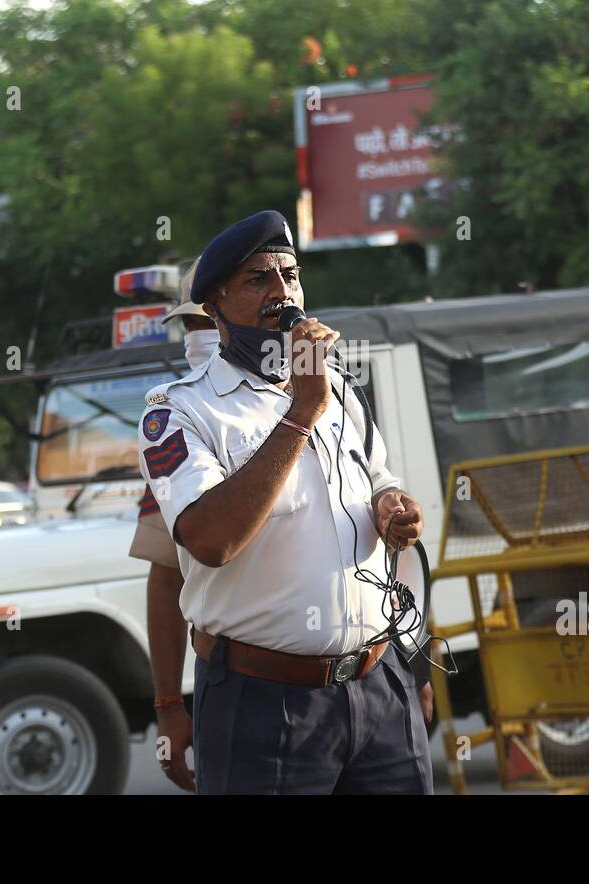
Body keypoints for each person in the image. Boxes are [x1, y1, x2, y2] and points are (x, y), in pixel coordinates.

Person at [137, 210, 433, 795]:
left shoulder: (341, 389)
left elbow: (378, 483)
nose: (282, 294)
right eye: (257, 280)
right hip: (263, 705)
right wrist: (301, 410)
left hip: (378, 684)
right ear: (213, 308)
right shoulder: (178, 410)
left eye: (290, 276)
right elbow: (211, 541)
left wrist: (392, 506)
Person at [130, 258, 219, 792]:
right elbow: (167, 576)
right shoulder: (180, 419)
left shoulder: (328, 401)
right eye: (191, 325)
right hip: (248, 687)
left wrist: (408, 667)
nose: (197, 338)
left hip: (363, 683)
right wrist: (168, 706)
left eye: (206, 323)